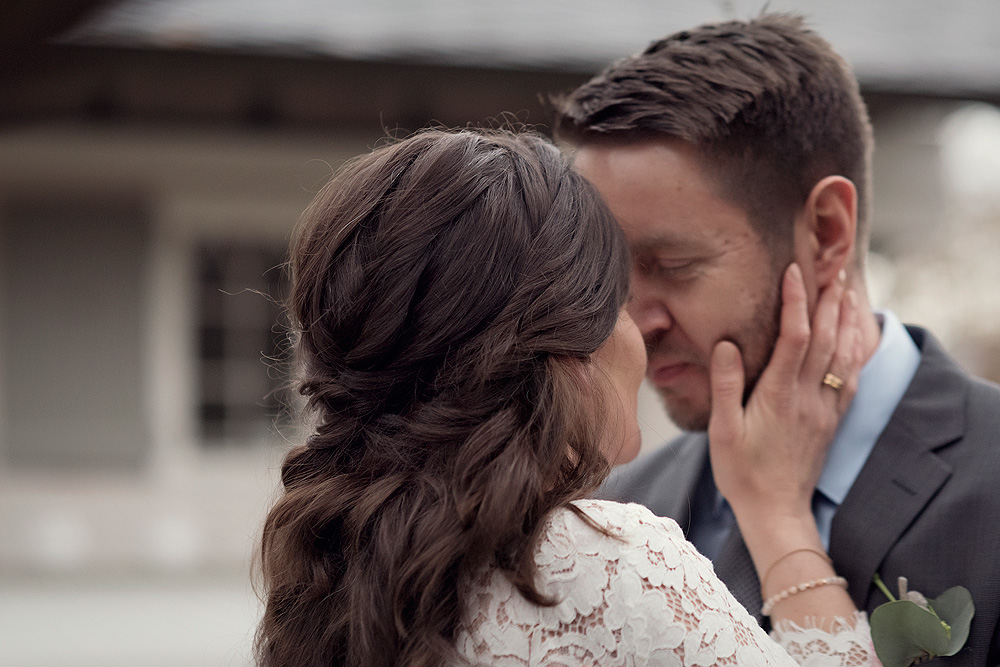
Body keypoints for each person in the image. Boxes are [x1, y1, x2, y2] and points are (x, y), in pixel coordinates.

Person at [254, 128, 875, 667]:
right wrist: (781, 519)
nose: (648, 334)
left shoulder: (331, 569)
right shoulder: (600, 564)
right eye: (621, 302)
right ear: (568, 352)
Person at [554, 12, 1000, 664]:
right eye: (610, 276)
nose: (633, 322)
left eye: (672, 266)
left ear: (826, 231)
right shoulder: (618, 510)